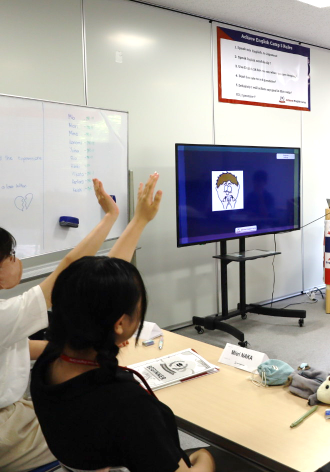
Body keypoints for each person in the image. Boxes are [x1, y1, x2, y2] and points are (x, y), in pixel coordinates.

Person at [30, 175, 217, 472]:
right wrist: (206, 458)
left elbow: (98, 291)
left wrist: (138, 220)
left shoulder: (49, 362)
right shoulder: (124, 401)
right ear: (119, 324)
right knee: (207, 454)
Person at [0, 177, 136, 471]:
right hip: (5, 428)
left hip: (14, 409)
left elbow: (14, 346)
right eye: (11, 256)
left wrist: (68, 345)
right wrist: (112, 216)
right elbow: (70, 265)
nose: (16, 261)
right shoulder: (4, 315)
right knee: (101, 432)